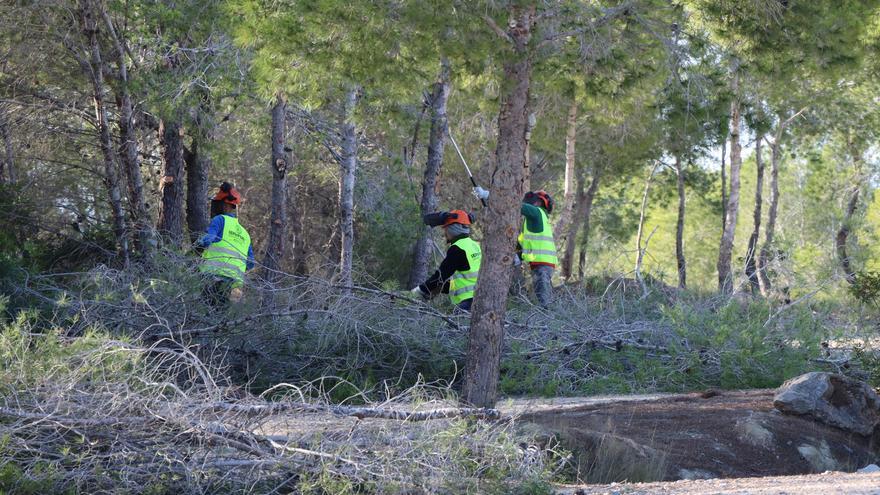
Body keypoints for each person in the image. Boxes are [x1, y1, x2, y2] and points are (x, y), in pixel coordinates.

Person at [473, 187, 557, 307]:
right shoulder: (533, 221)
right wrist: (518, 256)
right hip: (540, 264)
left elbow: (514, 205)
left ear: (538, 202)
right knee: (540, 297)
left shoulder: (537, 212)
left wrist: (487, 194)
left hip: (542, 265)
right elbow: (527, 244)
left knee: (544, 300)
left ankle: (548, 322)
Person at [197, 182, 255, 310]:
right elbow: (250, 263)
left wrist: (197, 246)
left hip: (213, 277)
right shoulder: (245, 234)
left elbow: (207, 241)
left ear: (225, 205)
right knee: (221, 317)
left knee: (207, 312)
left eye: (217, 203)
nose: (215, 207)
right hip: (234, 286)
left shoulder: (219, 220)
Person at [410, 209, 481, 312]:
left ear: (453, 229)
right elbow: (466, 279)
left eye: (446, 229)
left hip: (467, 304)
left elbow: (440, 276)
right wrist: (440, 289)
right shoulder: (475, 245)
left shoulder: (457, 249)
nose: (445, 232)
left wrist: (419, 291)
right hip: (480, 298)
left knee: (455, 326)